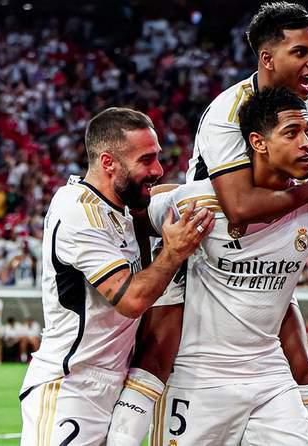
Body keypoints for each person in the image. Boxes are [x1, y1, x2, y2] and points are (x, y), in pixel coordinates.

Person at [108, 4, 308, 445]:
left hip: (262, 235)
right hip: (201, 230)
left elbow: (286, 176)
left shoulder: (304, 109)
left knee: (298, 357)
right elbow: (239, 204)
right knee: (162, 346)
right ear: (268, 59)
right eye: (301, 52)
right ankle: (126, 437)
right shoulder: (229, 112)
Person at [19, 107, 214, 445]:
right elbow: (132, 300)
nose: (158, 169)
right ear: (108, 163)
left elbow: (184, 193)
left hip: (115, 383)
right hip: (71, 386)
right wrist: (173, 251)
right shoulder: (78, 212)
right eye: (146, 160)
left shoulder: (124, 208)